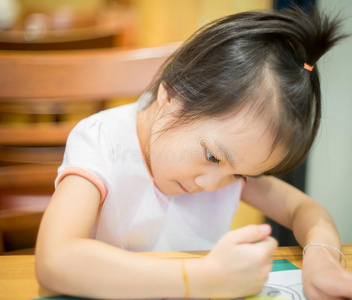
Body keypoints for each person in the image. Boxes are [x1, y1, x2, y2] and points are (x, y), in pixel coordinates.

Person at [35, 6, 352, 300]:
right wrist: (200, 277)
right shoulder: (104, 143)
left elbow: (306, 211)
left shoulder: (226, 169)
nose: (214, 185)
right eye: (213, 157)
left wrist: (321, 259)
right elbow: (54, 259)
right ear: (172, 96)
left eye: (241, 174)